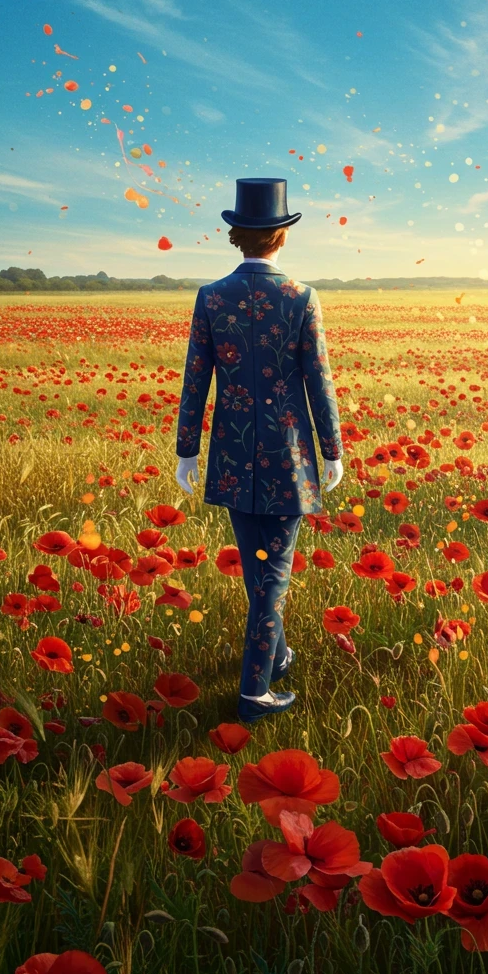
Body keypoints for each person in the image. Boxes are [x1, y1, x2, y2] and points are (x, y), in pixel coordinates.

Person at [174, 178, 344, 724]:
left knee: (258, 569)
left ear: (236, 236)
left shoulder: (211, 297)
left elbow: (195, 380)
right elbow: (319, 382)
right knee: (273, 576)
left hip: (230, 456)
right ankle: (254, 693)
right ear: (282, 236)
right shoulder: (301, 298)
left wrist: (186, 452)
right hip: (287, 459)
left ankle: (279, 655)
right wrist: (333, 450)